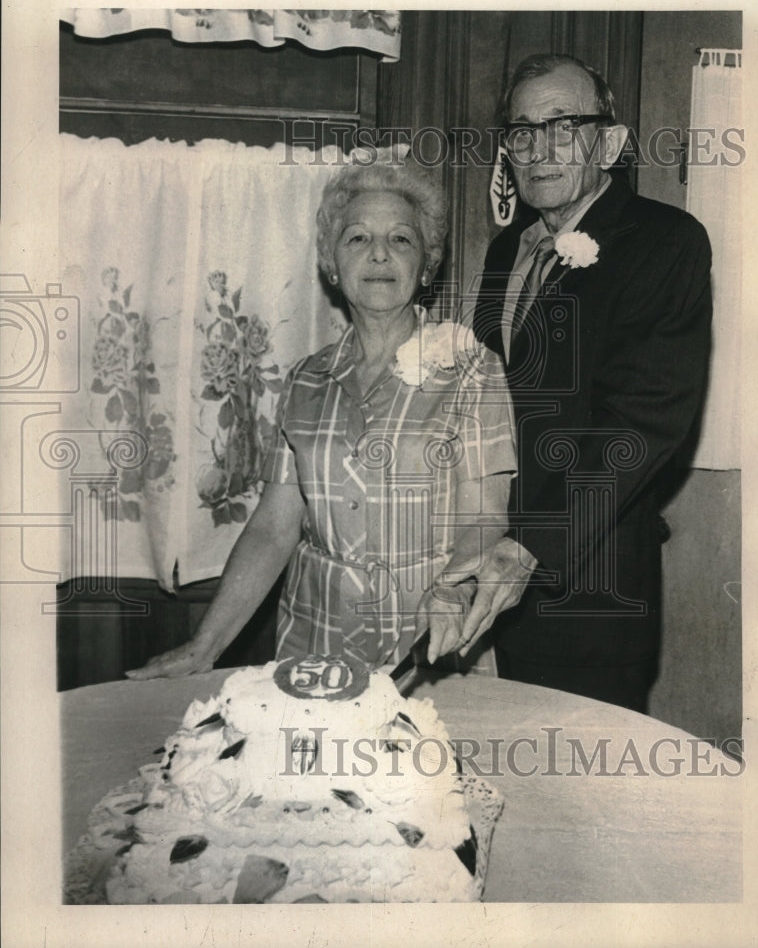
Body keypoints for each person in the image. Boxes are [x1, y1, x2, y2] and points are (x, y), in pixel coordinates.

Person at [128, 147, 516, 679]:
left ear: (426, 265)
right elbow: (273, 527)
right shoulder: (305, 381)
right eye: (358, 238)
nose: (379, 254)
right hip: (314, 647)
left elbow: (486, 516)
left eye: (400, 239)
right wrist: (205, 646)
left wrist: (455, 588)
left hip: (432, 649)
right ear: (332, 264)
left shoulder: (474, 370)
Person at [457, 54, 712, 713]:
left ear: (610, 142)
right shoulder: (502, 250)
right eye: (520, 130)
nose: (538, 148)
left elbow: (642, 422)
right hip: (485, 582)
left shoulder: (664, 241)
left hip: (590, 593)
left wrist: (529, 550)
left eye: (562, 126)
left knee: (586, 802)